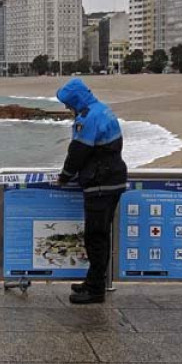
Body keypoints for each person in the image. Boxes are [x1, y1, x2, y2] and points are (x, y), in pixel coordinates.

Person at [56, 78, 127, 304]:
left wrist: (65, 175)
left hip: (100, 183)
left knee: (96, 237)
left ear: (76, 101)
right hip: (113, 178)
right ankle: (92, 281)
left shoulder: (87, 118)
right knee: (100, 235)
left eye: (68, 104)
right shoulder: (103, 110)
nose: (67, 108)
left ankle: (96, 289)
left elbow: (78, 151)